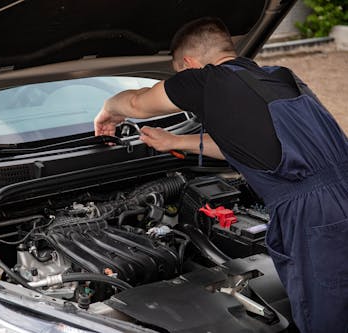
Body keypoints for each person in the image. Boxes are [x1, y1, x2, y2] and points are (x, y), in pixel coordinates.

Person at [94, 17, 348, 333]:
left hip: (314, 214)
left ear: (188, 63)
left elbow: (136, 102)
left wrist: (107, 109)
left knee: (327, 316)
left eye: (177, 72)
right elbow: (248, 144)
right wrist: (177, 142)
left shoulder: (204, 80)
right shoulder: (279, 77)